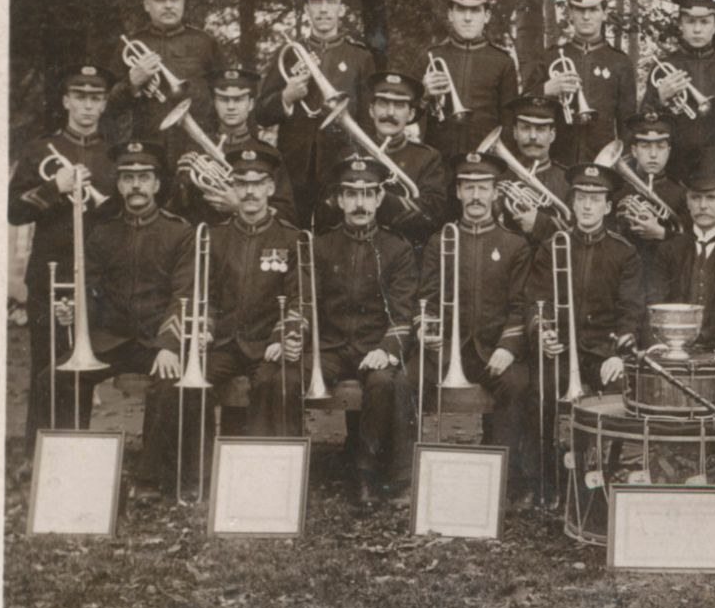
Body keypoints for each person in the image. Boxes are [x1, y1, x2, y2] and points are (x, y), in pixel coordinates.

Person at [41, 141, 192, 497]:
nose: (136, 185)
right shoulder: (103, 233)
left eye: (144, 177)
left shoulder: (179, 232)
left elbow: (183, 295)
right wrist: (73, 313)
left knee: (170, 382)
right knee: (53, 377)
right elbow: (91, 293)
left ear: (157, 184)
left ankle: (147, 478)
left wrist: (169, 345)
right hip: (111, 341)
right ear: (119, 184)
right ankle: (67, 465)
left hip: (156, 342)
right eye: (128, 178)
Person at [174, 146, 307, 487]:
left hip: (266, 345)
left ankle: (266, 477)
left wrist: (282, 338)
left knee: (271, 382)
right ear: (231, 187)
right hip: (223, 343)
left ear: (270, 188)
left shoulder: (291, 239)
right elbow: (204, 294)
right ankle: (197, 476)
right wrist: (202, 331)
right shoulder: (214, 237)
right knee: (194, 379)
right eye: (241, 183)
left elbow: (301, 298)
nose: (249, 191)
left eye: (257, 183)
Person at [9, 64, 121, 444]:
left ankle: (78, 446)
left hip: (97, 278)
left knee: (83, 364)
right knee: (47, 364)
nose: (87, 107)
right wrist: (54, 186)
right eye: (80, 98)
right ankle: (37, 449)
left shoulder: (113, 154)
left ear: (105, 104)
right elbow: (14, 210)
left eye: (96, 99)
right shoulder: (40, 149)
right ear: (66, 101)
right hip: (49, 274)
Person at [415, 151, 534, 481]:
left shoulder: (515, 245)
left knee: (518, 383)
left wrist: (509, 347)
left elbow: (520, 306)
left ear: (496, 192)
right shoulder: (440, 241)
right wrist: (428, 332)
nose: (476, 196)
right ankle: (399, 478)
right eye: (468, 188)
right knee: (402, 382)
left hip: (493, 350)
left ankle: (502, 477)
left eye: (483, 188)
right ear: (457, 192)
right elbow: (427, 298)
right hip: (446, 352)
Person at [310, 156, 420, 505]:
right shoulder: (320, 246)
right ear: (339, 200)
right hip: (328, 348)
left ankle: (366, 473)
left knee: (383, 381)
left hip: (373, 345)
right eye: (351, 194)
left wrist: (387, 348)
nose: (359, 203)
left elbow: (403, 311)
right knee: (282, 373)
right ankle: (281, 470)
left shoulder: (397, 249)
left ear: (378, 199)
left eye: (367, 193)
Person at [254, 0, 376, 226]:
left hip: (340, 162)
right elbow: (261, 114)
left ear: (341, 9)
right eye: (315, 2)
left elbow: (367, 120)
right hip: (293, 164)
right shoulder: (288, 54)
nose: (323, 10)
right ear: (306, 10)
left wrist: (361, 162)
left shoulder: (359, 58)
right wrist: (286, 97)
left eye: (330, 2)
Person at [528, 162, 644, 397]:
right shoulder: (552, 247)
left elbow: (630, 310)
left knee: (618, 387)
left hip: (603, 352)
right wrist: (543, 332)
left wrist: (619, 355)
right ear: (573, 202)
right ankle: (545, 436)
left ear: (608, 207)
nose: (587, 206)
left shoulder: (624, 252)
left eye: (595, 200)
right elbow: (537, 299)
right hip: (560, 349)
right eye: (581, 198)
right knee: (540, 388)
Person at [647, 151, 715, 384]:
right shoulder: (669, 249)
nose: (703, 206)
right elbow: (654, 302)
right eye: (696, 198)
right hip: (671, 353)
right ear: (687, 201)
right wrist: (660, 347)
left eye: (711, 198)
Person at [321, 71, 448, 250]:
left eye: (399, 106)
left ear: (411, 114)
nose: (390, 113)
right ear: (371, 111)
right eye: (383, 104)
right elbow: (326, 212)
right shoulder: (348, 154)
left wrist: (379, 197)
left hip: (406, 252)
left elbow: (432, 215)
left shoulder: (427, 158)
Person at [108, 0, 225, 145]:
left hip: (196, 143)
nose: (169, 5)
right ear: (147, 4)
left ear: (184, 2)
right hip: (148, 144)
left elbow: (223, 94)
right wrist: (132, 83)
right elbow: (109, 105)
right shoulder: (130, 45)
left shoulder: (205, 42)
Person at [641, 0, 715, 180]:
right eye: (690, 22)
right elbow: (644, 121)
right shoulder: (664, 66)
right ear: (680, 24)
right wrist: (660, 99)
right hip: (674, 164)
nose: (697, 29)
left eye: (705, 22)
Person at [168, 66, 296, 226]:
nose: (230, 107)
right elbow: (176, 212)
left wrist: (240, 207)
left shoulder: (269, 154)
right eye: (223, 99)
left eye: (238, 99)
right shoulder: (197, 151)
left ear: (250, 104)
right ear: (215, 103)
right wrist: (183, 185)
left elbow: (287, 215)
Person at [529, 0, 636, 164]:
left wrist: (620, 161)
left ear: (604, 13)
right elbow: (523, 107)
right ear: (570, 13)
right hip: (555, 159)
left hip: (602, 160)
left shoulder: (620, 62)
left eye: (593, 10)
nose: (586, 17)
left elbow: (628, 124)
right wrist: (545, 91)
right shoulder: (550, 57)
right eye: (579, 10)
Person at [420, 0, 520, 163]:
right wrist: (424, 94)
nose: (467, 17)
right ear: (450, 14)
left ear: (487, 16)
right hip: (438, 160)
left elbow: (508, 123)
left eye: (475, 10)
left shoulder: (502, 61)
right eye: (460, 9)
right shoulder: (431, 56)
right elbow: (411, 116)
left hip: (483, 161)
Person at [611, 113, 687, 267]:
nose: (653, 154)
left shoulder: (681, 194)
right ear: (633, 151)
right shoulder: (617, 191)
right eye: (645, 146)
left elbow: (691, 241)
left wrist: (661, 232)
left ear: (669, 151)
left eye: (660, 147)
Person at [495, 95, 572, 242]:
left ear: (552, 135)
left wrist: (538, 224)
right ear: (514, 133)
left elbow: (577, 233)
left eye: (541, 129)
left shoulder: (567, 181)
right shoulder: (501, 178)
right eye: (525, 128)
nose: (533, 136)